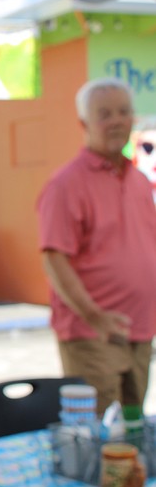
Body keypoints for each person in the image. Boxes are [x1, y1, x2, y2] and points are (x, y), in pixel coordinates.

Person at [37, 77, 156, 415]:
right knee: (99, 431)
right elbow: (54, 258)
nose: (116, 120)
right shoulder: (66, 184)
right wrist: (95, 316)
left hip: (141, 328)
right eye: (104, 114)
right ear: (84, 123)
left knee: (132, 427)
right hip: (92, 333)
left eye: (124, 111)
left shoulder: (139, 181)